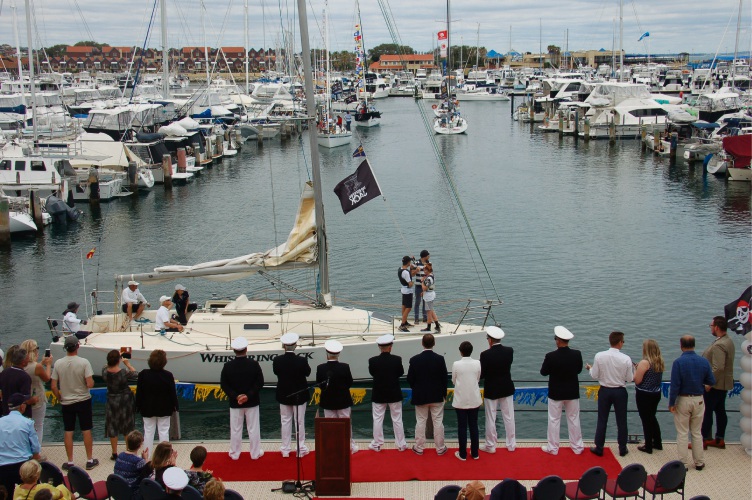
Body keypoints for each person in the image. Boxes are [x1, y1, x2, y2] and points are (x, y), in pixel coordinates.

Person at [50, 336, 97, 471]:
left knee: (68, 431)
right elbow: (89, 383)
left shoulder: (58, 363)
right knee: (86, 429)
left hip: (66, 401)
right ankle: (89, 459)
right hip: (83, 400)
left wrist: (59, 397)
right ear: (78, 346)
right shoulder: (84, 362)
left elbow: (53, 385)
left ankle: (70, 461)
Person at [669, 335, 715, 470]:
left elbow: (675, 385)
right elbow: (711, 381)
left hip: (683, 399)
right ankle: (699, 462)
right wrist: (704, 386)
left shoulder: (678, 363)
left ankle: (683, 463)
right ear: (694, 345)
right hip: (699, 399)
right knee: (696, 432)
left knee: (683, 432)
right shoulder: (703, 361)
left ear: (681, 345)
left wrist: (672, 402)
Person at [586, 331, 633, 457]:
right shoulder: (626, 359)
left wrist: (590, 369)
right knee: (622, 421)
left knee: (602, 419)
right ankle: (622, 448)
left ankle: (599, 447)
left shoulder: (599, 356)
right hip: (620, 391)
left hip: (605, 390)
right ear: (619, 342)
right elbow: (629, 379)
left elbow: (594, 375)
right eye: (623, 341)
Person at [539, 325, 584, 456]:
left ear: (557, 340)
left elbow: (543, 372)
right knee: (574, 419)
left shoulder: (550, 356)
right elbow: (579, 370)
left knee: (554, 420)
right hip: (572, 392)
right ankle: (577, 447)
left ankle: (553, 448)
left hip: (556, 393)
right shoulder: (577, 354)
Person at [220, 337, 264, 460]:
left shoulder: (227, 366)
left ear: (234, 350)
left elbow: (224, 385)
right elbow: (260, 382)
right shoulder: (254, 364)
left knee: (235, 429)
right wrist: (248, 395)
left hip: (235, 403)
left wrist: (236, 396)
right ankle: (255, 454)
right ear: (246, 349)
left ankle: (235, 453)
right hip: (252, 401)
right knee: (253, 428)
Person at [407, 333, 448, 456]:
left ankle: (419, 447)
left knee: (420, 421)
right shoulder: (440, 359)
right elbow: (444, 379)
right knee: (438, 422)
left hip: (420, 396)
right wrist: (444, 394)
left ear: (422, 343)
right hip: (437, 395)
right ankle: (440, 448)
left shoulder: (414, 360)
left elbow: (410, 379)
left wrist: (417, 389)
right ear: (434, 343)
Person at [272, 333, 311, 458]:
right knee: (299, 422)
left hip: (284, 394)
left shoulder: (277, 360)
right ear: (295, 345)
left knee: (285, 421)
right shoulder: (301, 360)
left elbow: (276, 372)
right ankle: (300, 448)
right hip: (300, 394)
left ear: (283, 346)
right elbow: (308, 373)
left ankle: (285, 449)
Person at [315, 340, 358, 454]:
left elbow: (320, 384)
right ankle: (349, 446)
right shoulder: (345, 367)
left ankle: (332, 445)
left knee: (330, 425)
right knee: (346, 423)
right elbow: (349, 383)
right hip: (343, 400)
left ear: (327, 353)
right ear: (338, 354)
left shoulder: (320, 368)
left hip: (328, 401)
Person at [135, 350, 179, 459]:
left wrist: (137, 406)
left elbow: (139, 392)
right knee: (164, 432)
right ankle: (165, 457)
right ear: (164, 362)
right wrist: (176, 406)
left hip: (147, 408)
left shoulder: (143, 374)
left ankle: (146, 458)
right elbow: (172, 393)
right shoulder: (168, 375)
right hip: (164, 408)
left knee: (148, 432)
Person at [368, 334, 407, 452]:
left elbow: (372, 373)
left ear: (379, 347)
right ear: (390, 347)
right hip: (394, 393)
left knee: (378, 419)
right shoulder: (397, 359)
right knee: (397, 419)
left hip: (379, 393)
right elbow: (400, 373)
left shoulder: (372, 361)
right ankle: (401, 444)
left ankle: (377, 444)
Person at [479, 326, 515, 453]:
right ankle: (511, 444)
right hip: (506, 387)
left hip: (492, 388)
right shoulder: (509, 351)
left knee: (491, 417)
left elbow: (482, 374)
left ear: (490, 340)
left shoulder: (485, 355)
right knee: (509, 416)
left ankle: (490, 445)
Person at [701, 315, 735, 449]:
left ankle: (703, 439)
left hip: (715, 385)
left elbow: (718, 367)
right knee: (720, 411)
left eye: (711, 326)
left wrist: (709, 383)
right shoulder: (729, 341)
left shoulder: (719, 345)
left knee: (707, 411)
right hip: (724, 383)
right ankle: (719, 438)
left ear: (716, 327)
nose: (710, 328)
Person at [0, 394, 42, 495]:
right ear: (22, 406)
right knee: (32, 494)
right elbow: (36, 449)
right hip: (22, 466)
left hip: (2, 467)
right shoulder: (27, 422)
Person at [103, 349, 138, 460]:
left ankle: (114, 452)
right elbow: (136, 373)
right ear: (118, 360)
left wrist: (116, 356)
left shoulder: (104, 371)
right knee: (127, 426)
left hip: (111, 399)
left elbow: (106, 365)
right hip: (125, 400)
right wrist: (127, 363)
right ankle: (129, 450)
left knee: (112, 426)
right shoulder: (124, 372)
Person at [452, 341, 482, 461]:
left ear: (460, 351)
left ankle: (462, 454)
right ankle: (475, 453)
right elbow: (478, 378)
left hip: (461, 400)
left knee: (462, 427)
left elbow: (454, 380)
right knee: (474, 426)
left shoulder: (456, 364)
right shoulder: (477, 363)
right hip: (474, 399)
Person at [634, 339, 664, 454]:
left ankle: (648, 446)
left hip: (644, 394)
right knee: (652, 417)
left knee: (645, 419)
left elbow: (637, 380)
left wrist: (636, 370)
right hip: (656, 393)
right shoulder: (659, 361)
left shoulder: (644, 363)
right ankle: (657, 442)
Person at [19, 340, 52, 445]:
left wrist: (41, 363)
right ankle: (37, 451)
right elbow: (47, 378)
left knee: (24, 427)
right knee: (38, 426)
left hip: (22, 399)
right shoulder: (36, 366)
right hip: (37, 398)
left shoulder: (19, 366)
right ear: (34, 351)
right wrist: (48, 365)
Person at [0, 349, 33, 418]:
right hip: (20, 414)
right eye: (27, 358)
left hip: (5, 410)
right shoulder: (25, 377)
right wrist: (34, 400)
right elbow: (25, 398)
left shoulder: (4, 372)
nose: (29, 359)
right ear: (23, 362)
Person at [420, 263, 441, 333]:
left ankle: (428, 327)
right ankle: (437, 325)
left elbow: (425, 288)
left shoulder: (428, 278)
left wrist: (422, 281)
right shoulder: (432, 275)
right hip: (430, 294)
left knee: (429, 312)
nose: (424, 271)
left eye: (425, 270)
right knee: (431, 311)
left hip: (428, 296)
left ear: (428, 270)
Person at [398, 256, 416, 332]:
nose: (411, 263)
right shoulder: (406, 272)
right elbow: (410, 284)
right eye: (410, 261)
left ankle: (405, 322)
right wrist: (413, 283)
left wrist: (411, 269)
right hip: (408, 291)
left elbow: (408, 276)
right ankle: (402, 325)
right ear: (408, 262)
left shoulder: (400, 269)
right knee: (408, 308)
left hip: (403, 290)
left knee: (404, 306)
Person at [412, 250, 430, 325]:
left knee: (425, 302)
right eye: (428, 255)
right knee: (418, 302)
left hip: (426, 286)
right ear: (425, 256)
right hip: (418, 286)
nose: (429, 256)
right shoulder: (416, 263)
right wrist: (416, 270)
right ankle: (416, 318)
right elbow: (412, 274)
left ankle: (425, 318)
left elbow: (430, 274)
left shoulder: (429, 263)